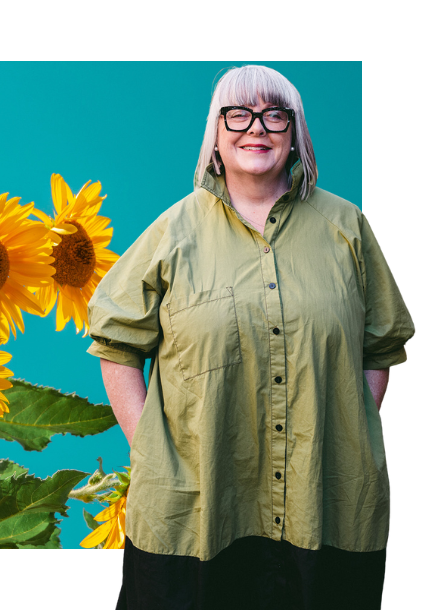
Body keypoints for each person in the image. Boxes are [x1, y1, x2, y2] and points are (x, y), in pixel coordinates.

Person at [87, 65, 414, 610]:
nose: (256, 127)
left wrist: (338, 431)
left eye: (274, 115)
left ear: (295, 133)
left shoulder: (347, 227)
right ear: (215, 135)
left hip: (326, 507)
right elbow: (116, 344)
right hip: (197, 513)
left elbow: (378, 347)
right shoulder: (174, 231)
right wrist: (151, 449)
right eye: (237, 114)